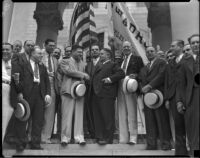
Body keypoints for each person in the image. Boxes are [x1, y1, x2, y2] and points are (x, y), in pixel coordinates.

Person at [14, 46, 51, 152]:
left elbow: (46, 81)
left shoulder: (42, 66)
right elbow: (17, 80)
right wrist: (19, 92)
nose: (41, 55)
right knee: (23, 120)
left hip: (40, 95)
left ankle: (35, 144)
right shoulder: (23, 65)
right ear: (32, 54)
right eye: (39, 53)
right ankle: (20, 144)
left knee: (38, 121)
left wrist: (48, 94)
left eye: (41, 54)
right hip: (26, 94)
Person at [138, 46, 172, 150]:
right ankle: (151, 145)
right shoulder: (144, 68)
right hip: (147, 99)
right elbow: (140, 80)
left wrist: (150, 85)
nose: (150, 53)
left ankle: (166, 144)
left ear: (156, 53)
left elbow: (161, 76)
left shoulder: (161, 63)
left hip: (159, 96)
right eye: (148, 52)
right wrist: (142, 88)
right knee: (150, 122)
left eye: (152, 51)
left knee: (162, 120)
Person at [92, 48, 125, 144]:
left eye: (102, 54)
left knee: (108, 117)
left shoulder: (112, 64)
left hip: (107, 95)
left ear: (108, 55)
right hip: (97, 94)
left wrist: (110, 79)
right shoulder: (99, 65)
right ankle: (100, 137)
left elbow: (121, 73)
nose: (100, 55)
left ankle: (108, 138)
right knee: (98, 117)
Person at [5, 40, 35, 145]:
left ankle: (20, 137)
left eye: (32, 45)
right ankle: (9, 137)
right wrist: (19, 90)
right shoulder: (17, 56)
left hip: (31, 90)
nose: (30, 47)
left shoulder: (34, 58)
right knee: (15, 114)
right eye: (28, 45)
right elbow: (15, 73)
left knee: (24, 114)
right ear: (25, 47)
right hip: (19, 89)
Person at [59, 45, 89, 146]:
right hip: (68, 91)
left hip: (80, 92)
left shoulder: (83, 63)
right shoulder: (64, 61)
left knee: (79, 115)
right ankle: (65, 138)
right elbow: (68, 71)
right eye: (78, 52)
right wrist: (83, 75)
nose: (80, 54)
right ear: (72, 52)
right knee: (67, 115)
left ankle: (79, 137)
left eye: (81, 52)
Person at [117, 41, 144, 144]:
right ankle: (123, 138)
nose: (126, 48)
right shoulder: (119, 61)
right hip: (120, 88)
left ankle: (133, 137)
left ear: (131, 48)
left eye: (128, 46)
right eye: (124, 47)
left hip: (130, 88)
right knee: (121, 113)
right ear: (122, 49)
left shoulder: (137, 59)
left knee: (132, 113)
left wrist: (136, 76)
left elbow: (142, 72)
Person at [164, 40, 188, 155]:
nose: (171, 47)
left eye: (173, 46)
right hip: (173, 97)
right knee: (178, 125)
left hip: (188, 96)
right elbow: (167, 82)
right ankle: (180, 152)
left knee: (190, 124)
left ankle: (193, 149)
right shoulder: (170, 63)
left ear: (181, 47)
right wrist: (167, 98)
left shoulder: (188, 60)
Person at [177, 34, 199, 156]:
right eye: (193, 43)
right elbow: (181, 84)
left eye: (198, 42)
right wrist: (180, 101)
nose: (196, 45)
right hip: (192, 98)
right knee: (193, 128)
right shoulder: (184, 62)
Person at [41, 39, 59, 144]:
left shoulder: (55, 59)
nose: (52, 47)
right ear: (45, 45)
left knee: (50, 113)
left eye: (54, 45)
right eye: (50, 45)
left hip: (52, 86)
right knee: (38, 112)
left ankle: (46, 137)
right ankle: (33, 135)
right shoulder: (39, 54)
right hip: (40, 86)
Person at [85, 43, 101, 139]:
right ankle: (92, 133)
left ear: (99, 51)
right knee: (90, 113)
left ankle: (100, 134)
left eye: (96, 49)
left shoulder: (103, 62)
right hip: (90, 92)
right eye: (93, 50)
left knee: (99, 113)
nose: (94, 51)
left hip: (100, 93)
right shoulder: (88, 65)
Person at [2, 43, 14, 144]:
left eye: (7, 49)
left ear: (12, 51)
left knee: (4, 120)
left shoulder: (16, 63)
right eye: (3, 49)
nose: (5, 51)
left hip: (9, 91)